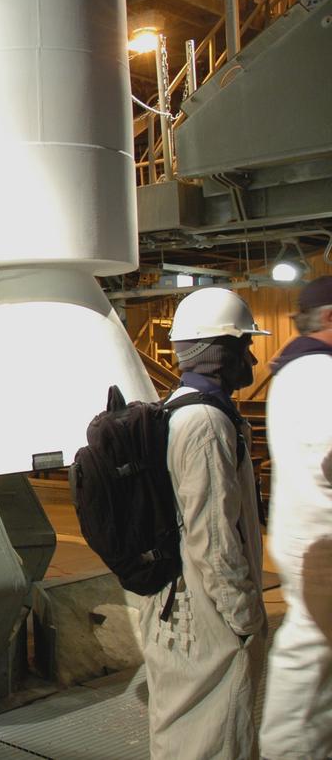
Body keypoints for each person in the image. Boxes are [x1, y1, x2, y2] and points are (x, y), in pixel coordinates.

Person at [141, 287, 269, 759]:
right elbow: (212, 537)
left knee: (184, 732)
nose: (251, 359)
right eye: (243, 346)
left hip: (181, 603)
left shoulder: (181, 411)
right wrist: (244, 615)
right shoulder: (205, 424)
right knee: (214, 739)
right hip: (208, 613)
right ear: (217, 351)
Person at [260, 275, 332, 760]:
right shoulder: (317, 375)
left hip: (308, 539)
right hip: (321, 547)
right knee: (310, 664)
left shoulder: (300, 372)